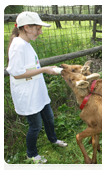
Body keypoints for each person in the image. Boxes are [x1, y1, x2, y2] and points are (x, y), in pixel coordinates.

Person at [6, 11, 67, 165]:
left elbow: (31, 66)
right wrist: (44, 70)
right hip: (28, 94)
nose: (40, 32)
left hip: (37, 91)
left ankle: (53, 139)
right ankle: (31, 154)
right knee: (36, 126)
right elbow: (17, 73)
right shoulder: (18, 46)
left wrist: (46, 68)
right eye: (38, 29)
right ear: (26, 27)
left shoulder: (26, 43)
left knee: (49, 118)